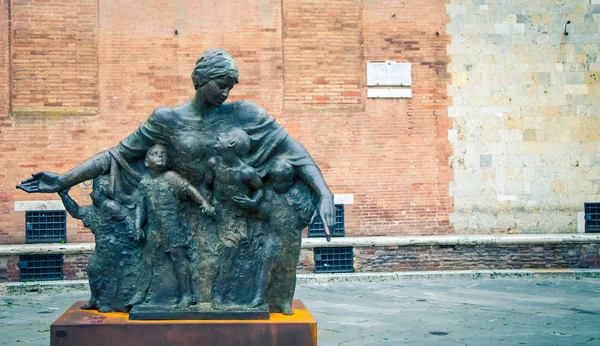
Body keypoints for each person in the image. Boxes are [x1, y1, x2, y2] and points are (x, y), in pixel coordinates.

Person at [17, 47, 334, 305]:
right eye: (220, 83)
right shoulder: (166, 119)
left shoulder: (245, 113)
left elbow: (295, 152)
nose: (226, 91)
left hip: (227, 213)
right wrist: (64, 180)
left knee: (230, 266)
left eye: (230, 86)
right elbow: (118, 155)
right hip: (178, 213)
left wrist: (324, 193)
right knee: (164, 280)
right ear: (201, 79)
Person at [128, 144, 214, 309]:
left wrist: (204, 203)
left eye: (163, 154)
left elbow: (189, 189)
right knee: (146, 260)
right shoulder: (145, 182)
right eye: (155, 154)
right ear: (146, 162)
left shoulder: (171, 177)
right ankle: (140, 293)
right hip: (154, 229)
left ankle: (187, 295)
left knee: (179, 259)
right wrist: (137, 225)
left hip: (172, 227)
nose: (160, 156)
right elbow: (140, 206)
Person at [58, 175, 140, 313]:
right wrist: (64, 196)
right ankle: (95, 299)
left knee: (112, 275)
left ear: (100, 191)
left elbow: (127, 218)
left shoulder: (111, 205)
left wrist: (134, 232)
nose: (91, 194)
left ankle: (109, 303)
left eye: (94, 191)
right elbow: (76, 211)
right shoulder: (95, 209)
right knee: (93, 269)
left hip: (116, 249)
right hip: (103, 249)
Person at [203, 127, 265, 307]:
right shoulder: (213, 163)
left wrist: (253, 202)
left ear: (231, 144)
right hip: (216, 215)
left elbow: (260, 189)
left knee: (228, 250)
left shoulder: (246, 172)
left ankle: (219, 296)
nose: (220, 134)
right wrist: (208, 202)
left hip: (236, 219)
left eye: (226, 134)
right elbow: (206, 186)